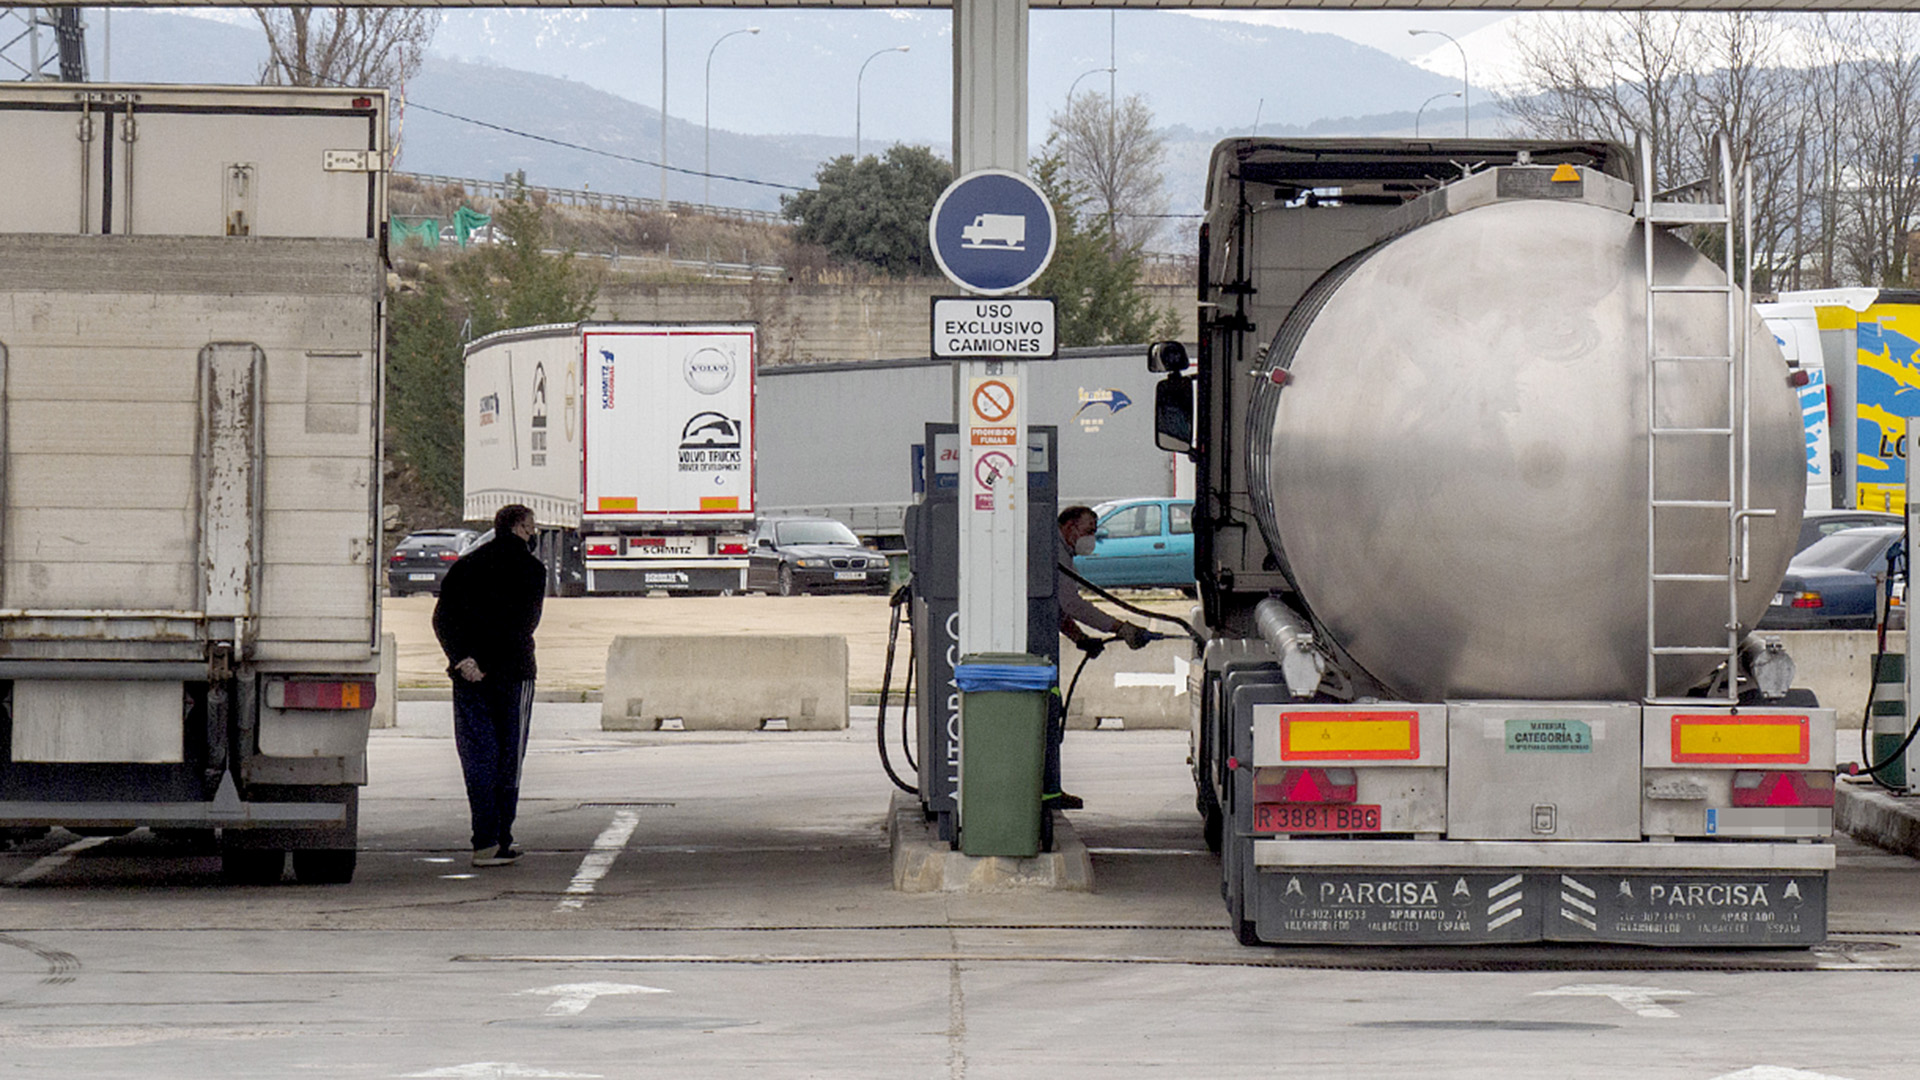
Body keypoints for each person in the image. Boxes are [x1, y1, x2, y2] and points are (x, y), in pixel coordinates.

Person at [432, 504, 547, 867]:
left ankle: (483, 840)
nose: (534, 533)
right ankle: (501, 838)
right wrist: (494, 662)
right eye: (532, 527)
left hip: (469, 675)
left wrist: (463, 659)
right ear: (521, 528)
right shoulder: (532, 570)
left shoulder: (465, 566)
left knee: (478, 757)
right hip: (514, 674)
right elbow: (525, 624)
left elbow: (442, 618)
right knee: (509, 758)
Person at [1050, 505, 1150, 810]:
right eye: (1089, 531)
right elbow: (1071, 604)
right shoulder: (1055, 554)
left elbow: (1056, 609)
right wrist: (1119, 627)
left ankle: (1049, 788)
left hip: (1040, 653)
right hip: (1032, 655)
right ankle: (1047, 790)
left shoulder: (1061, 554)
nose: (1091, 538)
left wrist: (1080, 638)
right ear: (1069, 527)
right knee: (1047, 713)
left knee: (1050, 713)